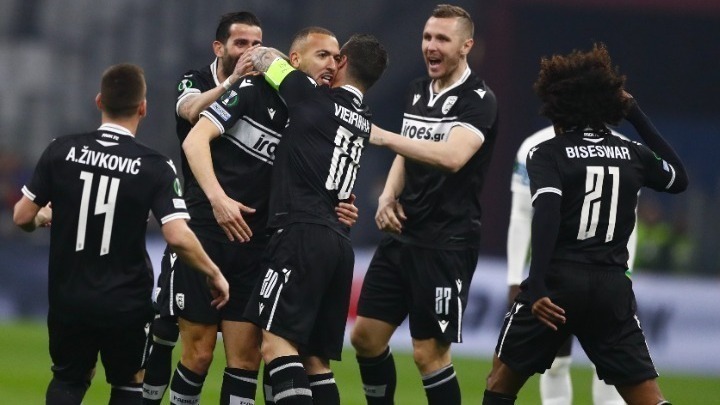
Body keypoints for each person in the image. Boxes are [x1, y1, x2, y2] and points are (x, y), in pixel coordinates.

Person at [482, 43, 688, 405]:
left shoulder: (547, 152)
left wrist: (538, 284)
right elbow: (678, 179)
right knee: (647, 397)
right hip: (611, 288)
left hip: (559, 283)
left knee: (501, 381)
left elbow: (546, 213)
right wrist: (636, 115)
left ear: (557, 105)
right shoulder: (632, 153)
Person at [12, 63, 229, 405]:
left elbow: (21, 216)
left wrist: (42, 216)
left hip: (69, 297)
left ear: (99, 101)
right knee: (129, 382)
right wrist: (213, 272)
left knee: (68, 378)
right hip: (126, 302)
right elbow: (176, 235)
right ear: (143, 108)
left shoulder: (61, 149)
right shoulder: (154, 166)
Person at [167, 26, 359, 405]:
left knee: (245, 360)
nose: (331, 65)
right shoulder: (253, 89)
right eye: (322, 55)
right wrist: (218, 199)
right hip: (209, 234)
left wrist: (340, 204)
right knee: (199, 353)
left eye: (336, 58)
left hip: (259, 246)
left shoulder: (318, 113)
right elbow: (195, 139)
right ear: (295, 60)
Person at [349, 4, 498, 404]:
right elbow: (409, 149)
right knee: (365, 337)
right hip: (402, 234)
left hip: (445, 243)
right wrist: (387, 195)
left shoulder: (478, 100)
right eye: (427, 37)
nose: (431, 46)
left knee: (428, 353)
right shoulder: (418, 89)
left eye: (442, 39)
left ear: (466, 46)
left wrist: (384, 137)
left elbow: (452, 157)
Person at [241, 33, 388, 405]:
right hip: (339, 243)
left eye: (334, 57)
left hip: (300, 236)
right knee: (314, 361)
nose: (329, 63)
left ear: (342, 63)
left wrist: (290, 63)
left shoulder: (310, 96)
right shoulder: (364, 119)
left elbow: (261, 56)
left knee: (275, 345)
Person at [142, 11, 263, 405]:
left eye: (256, 44)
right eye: (241, 43)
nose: (250, 52)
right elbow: (191, 110)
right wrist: (232, 83)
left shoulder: (265, 91)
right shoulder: (195, 79)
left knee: (246, 358)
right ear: (219, 47)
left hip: (248, 235)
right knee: (187, 345)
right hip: (200, 226)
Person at [507, 125, 638, 405]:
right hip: (560, 273)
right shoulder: (535, 146)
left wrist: (627, 271)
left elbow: (631, 218)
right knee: (556, 362)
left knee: (612, 368)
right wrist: (514, 278)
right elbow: (521, 213)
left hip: (602, 272)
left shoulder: (624, 148)